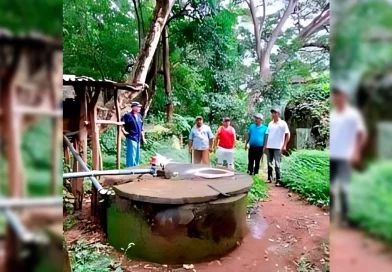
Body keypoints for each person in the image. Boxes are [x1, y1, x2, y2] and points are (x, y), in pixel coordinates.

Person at [330, 87, 367, 226]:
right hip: (333, 155)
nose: (337, 99)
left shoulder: (353, 114)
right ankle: (334, 215)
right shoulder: (333, 114)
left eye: (339, 96)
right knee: (332, 186)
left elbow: (361, 134)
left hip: (346, 155)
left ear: (345, 97)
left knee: (345, 186)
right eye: (335, 97)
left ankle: (347, 216)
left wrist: (356, 151)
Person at [263, 108, 290, 186]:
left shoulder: (282, 123)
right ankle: (269, 178)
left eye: (274, 113)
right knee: (269, 163)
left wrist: (285, 145)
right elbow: (267, 135)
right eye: (272, 113)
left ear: (278, 114)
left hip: (278, 146)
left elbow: (287, 134)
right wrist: (265, 146)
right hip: (269, 146)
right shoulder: (270, 124)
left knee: (277, 164)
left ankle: (278, 180)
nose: (272, 114)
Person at [121, 101, 146, 167]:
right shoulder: (128, 116)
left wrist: (143, 137)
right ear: (134, 107)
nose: (139, 108)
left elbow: (141, 127)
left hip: (138, 137)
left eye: (140, 107)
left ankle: (136, 167)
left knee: (137, 154)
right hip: (131, 137)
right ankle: (130, 168)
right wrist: (124, 131)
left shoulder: (139, 116)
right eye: (138, 107)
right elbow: (121, 124)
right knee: (131, 153)